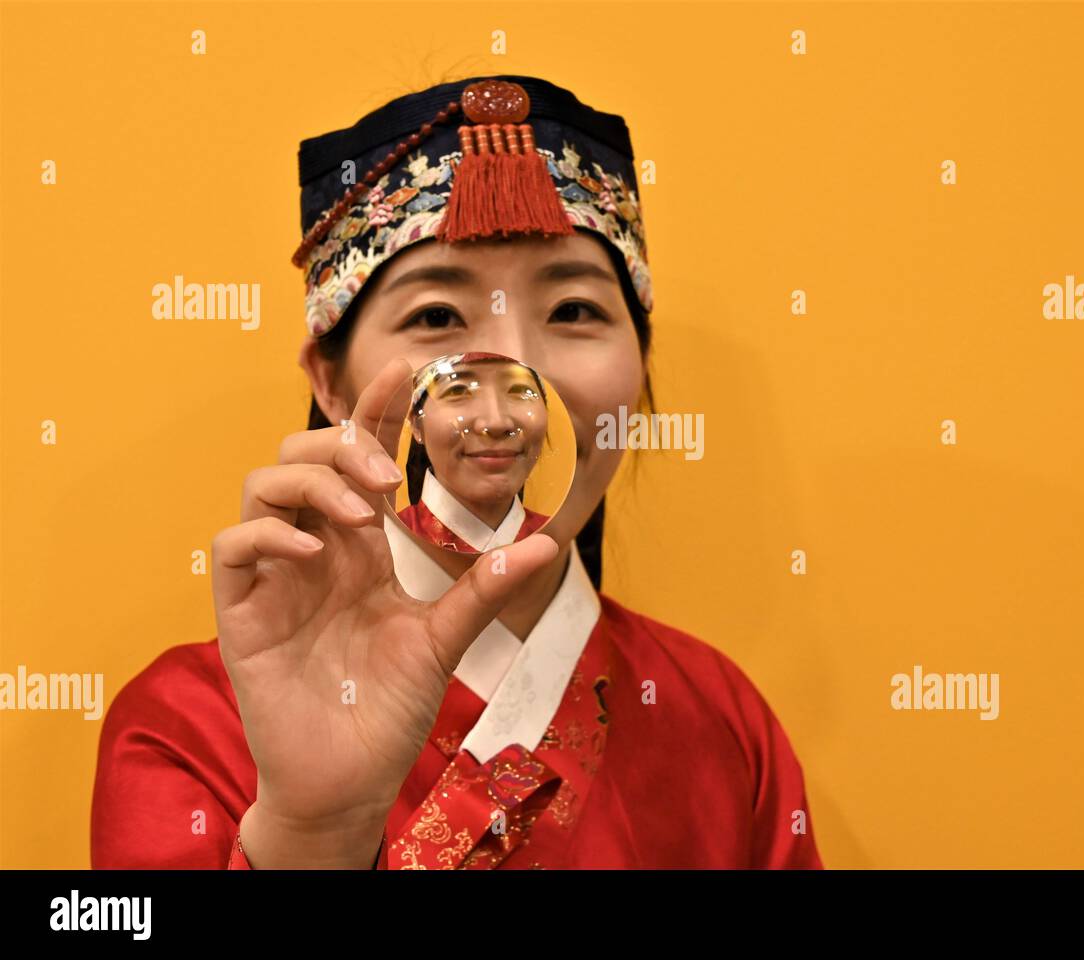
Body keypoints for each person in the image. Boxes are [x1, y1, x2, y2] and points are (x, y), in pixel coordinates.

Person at [91, 74, 823, 869]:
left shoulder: (717, 716)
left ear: (640, 370)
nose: (510, 377)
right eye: (437, 317)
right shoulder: (186, 723)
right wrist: (312, 829)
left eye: (574, 310)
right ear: (330, 383)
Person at [397, 352, 553, 554]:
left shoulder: (560, 542)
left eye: (520, 389)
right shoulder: (382, 541)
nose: (496, 422)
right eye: (457, 390)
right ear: (417, 425)